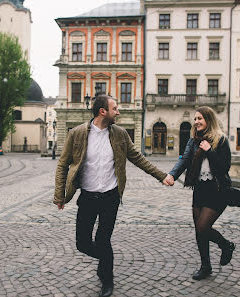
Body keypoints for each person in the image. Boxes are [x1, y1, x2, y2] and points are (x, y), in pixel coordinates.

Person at [54, 95, 172, 297]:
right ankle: (106, 261)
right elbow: (63, 164)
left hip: (110, 197)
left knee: (103, 240)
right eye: (114, 108)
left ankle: (107, 280)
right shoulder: (77, 134)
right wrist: (60, 195)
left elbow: (138, 159)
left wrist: (162, 176)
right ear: (103, 112)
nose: (118, 112)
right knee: (82, 243)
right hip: (88, 196)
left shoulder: (120, 134)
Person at [164, 106, 235, 281]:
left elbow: (224, 167)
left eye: (200, 119)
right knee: (199, 230)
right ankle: (206, 266)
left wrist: (209, 151)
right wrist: (172, 175)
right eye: (195, 119)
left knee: (203, 227)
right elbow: (185, 160)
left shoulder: (221, 140)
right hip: (200, 189)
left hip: (217, 190)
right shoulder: (193, 141)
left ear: (208, 120)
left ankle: (226, 245)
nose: (196, 122)